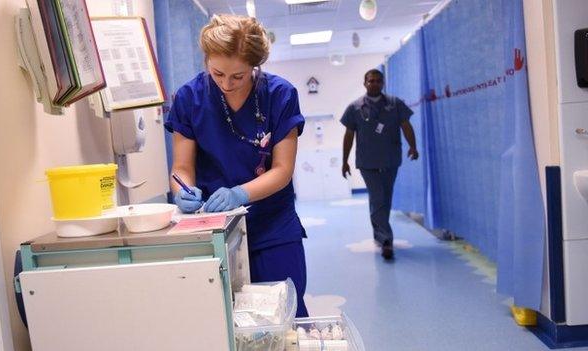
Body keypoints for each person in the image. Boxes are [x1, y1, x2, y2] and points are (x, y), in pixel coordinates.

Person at [165, 14, 309, 317]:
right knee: (223, 321)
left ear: (255, 67)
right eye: (217, 74)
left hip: (273, 225)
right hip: (215, 229)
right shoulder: (189, 98)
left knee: (285, 315)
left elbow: (282, 170)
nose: (226, 84)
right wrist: (182, 189)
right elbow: (181, 166)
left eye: (238, 76)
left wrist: (239, 194)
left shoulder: (280, 96)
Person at [340, 69, 418, 260]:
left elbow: (406, 125)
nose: (374, 83)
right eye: (370, 81)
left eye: (377, 81)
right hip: (367, 162)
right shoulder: (355, 107)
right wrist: (344, 161)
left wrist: (413, 147)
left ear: (383, 83)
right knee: (377, 197)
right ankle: (386, 240)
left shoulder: (394, 104)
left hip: (390, 159)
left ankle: (379, 234)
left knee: (385, 198)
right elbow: (349, 135)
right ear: (364, 83)